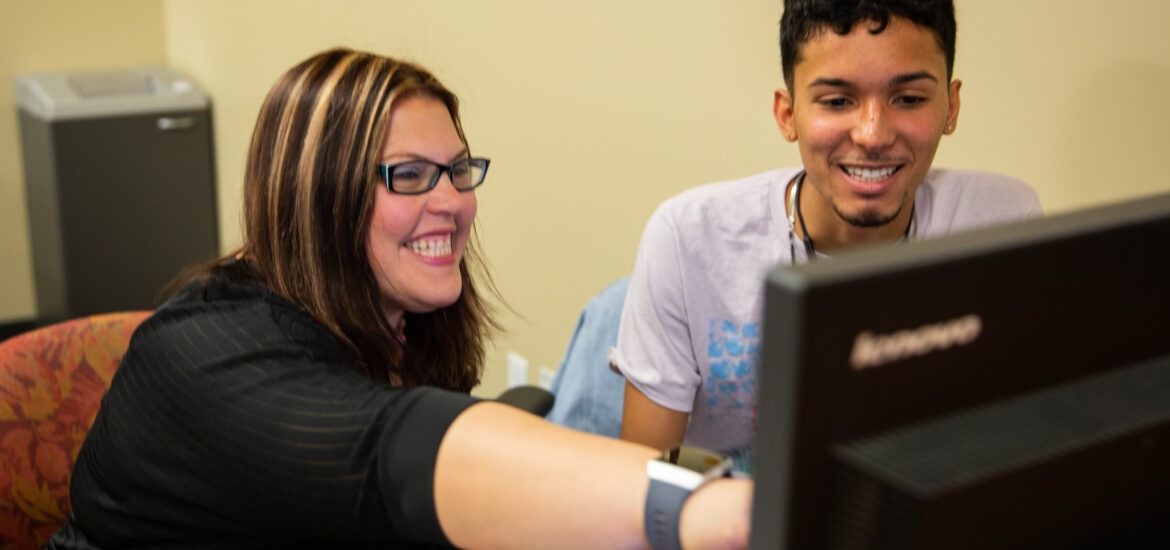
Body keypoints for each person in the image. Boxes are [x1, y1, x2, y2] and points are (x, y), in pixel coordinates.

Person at [48, 48, 750, 549]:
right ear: (321, 197)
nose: (452, 202)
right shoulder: (201, 357)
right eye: (409, 175)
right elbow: (389, 452)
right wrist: (703, 512)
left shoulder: (401, 321)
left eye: (457, 170)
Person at [612, 0, 1043, 474]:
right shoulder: (687, 240)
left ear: (951, 106)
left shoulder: (1002, 224)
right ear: (787, 114)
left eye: (909, 99)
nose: (872, 134)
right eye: (837, 101)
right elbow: (641, 487)